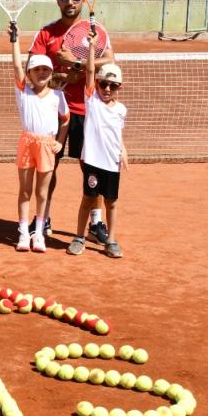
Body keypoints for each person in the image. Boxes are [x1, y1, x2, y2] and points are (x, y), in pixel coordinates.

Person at [28, 0, 118, 242]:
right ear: (58, 1)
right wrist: (60, 76)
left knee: (94, 168)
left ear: (83, 1)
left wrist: (76, 63)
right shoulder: (46, 34)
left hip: (88, 111)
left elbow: (109, 60)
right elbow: (33, 69)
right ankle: (42, 218)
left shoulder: (95, 31)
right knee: (47, 168)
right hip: (53, 111)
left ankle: (96, 222)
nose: (70, 3)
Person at [10, 22, 69, 253]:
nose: (42, 73)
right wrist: (14, 41)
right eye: (37, 70)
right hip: (27, 142)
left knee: (42, 192)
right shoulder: (23, 90)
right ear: (30, 74)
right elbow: (16, 65)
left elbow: (65, 119)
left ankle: (39, 233)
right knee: (25, 191)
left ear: (51, 73)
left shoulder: (57, 96)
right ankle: (24, 233)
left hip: (47, 145)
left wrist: (59, 142)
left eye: (46, 70)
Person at [66, 36, 127, 259]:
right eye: (103, 84)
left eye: (113, 85)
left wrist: (124, 150)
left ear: (119, 87)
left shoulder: (121, 110)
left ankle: (111, 241)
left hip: (112, 163)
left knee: (111, 203)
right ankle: (79, 237)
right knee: (87, 199)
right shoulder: (91, 101)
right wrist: (91, 48)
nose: (107, 89)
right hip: (93, 161)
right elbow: (90, 72)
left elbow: (118, 134)